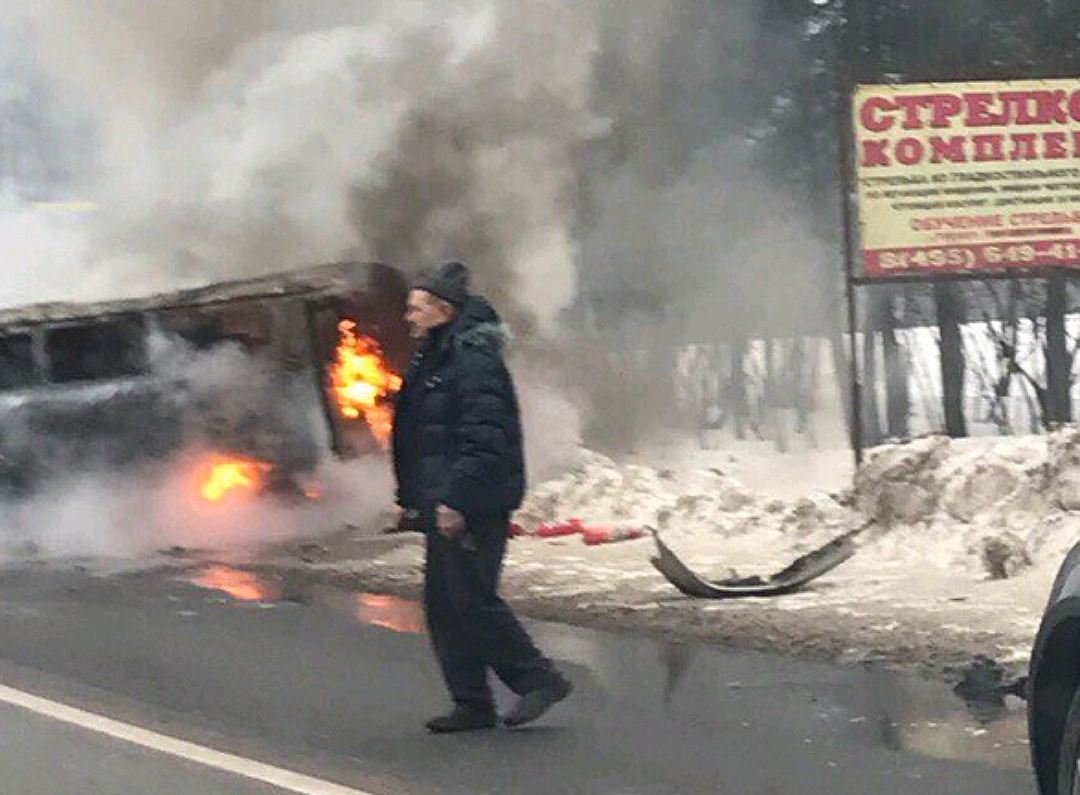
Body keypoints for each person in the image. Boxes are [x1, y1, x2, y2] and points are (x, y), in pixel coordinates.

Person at [390, 261, 572, 734]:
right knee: (443, 606)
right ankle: (471, 704)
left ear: (444, 310)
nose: (407, 318)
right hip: (444, 499)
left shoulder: (473, 362)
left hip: (475, 501)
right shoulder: (436, 356)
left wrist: (457, 500)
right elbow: (424, 435)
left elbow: (485, 439)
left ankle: (539, 679)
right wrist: (413, 497)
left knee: (470, 599)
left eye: (415, 309)